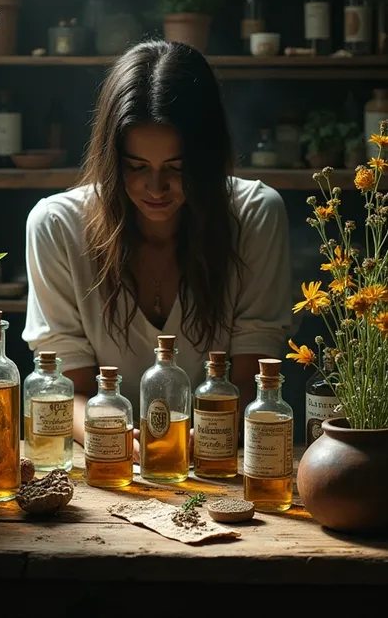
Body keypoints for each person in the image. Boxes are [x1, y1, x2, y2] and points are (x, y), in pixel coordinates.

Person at [22, 40, 292, 461]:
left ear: (206, 157)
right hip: (110, 458)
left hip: (218, 460)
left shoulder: (255, 216)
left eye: (177, 167)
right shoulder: (56, 226)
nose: (156, 189)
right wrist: (117, 436)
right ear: (112, 160)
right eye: (136, 167)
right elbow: (67, 390)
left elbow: (247, 384)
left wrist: (179, 447)